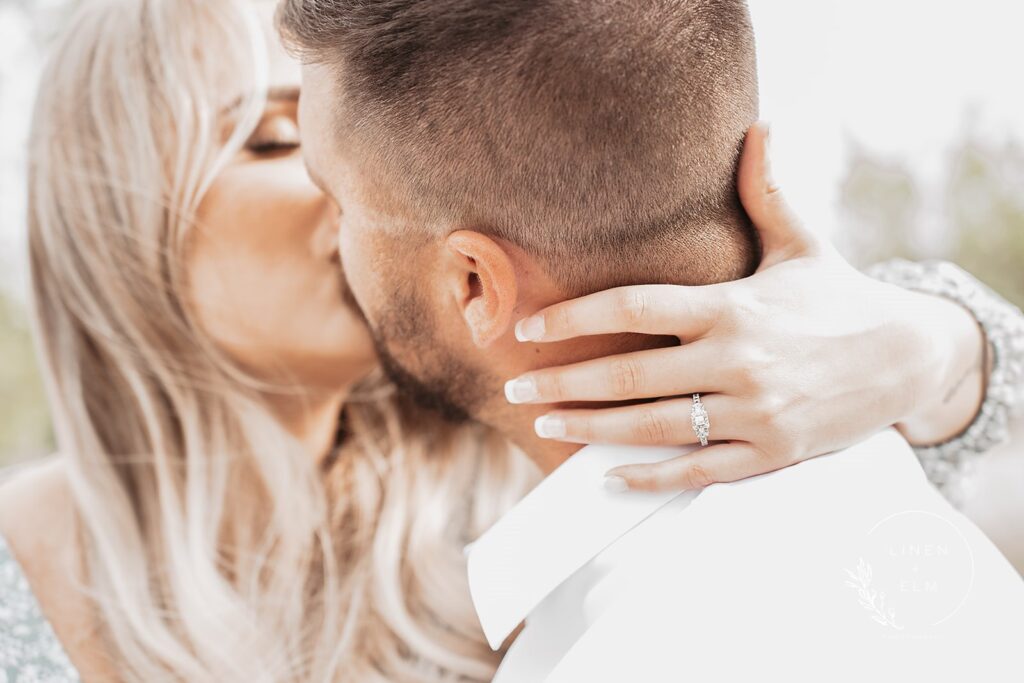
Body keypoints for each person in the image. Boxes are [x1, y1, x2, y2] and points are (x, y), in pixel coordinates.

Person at [2, 0, 1021, 680]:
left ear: (472, 279)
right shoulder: (26, 579)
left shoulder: (541, 450)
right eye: (279, 140)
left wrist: (927, 346)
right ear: (115, 215)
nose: (359, 182)